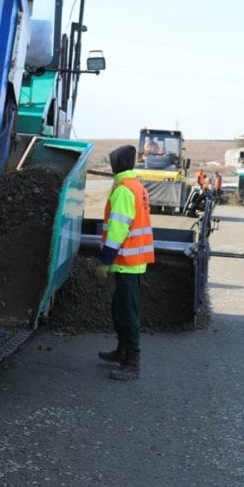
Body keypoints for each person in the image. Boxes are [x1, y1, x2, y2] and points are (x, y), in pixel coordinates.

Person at [95, 145, 154, 380]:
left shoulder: (123, 189)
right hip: (132, 259)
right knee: (120, 308)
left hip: (126, 260)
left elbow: (118, 229)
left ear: (118, 164)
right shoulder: (136, 186)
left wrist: (105, 260)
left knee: (128, 311)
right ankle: (122, 352)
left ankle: (133, 363)